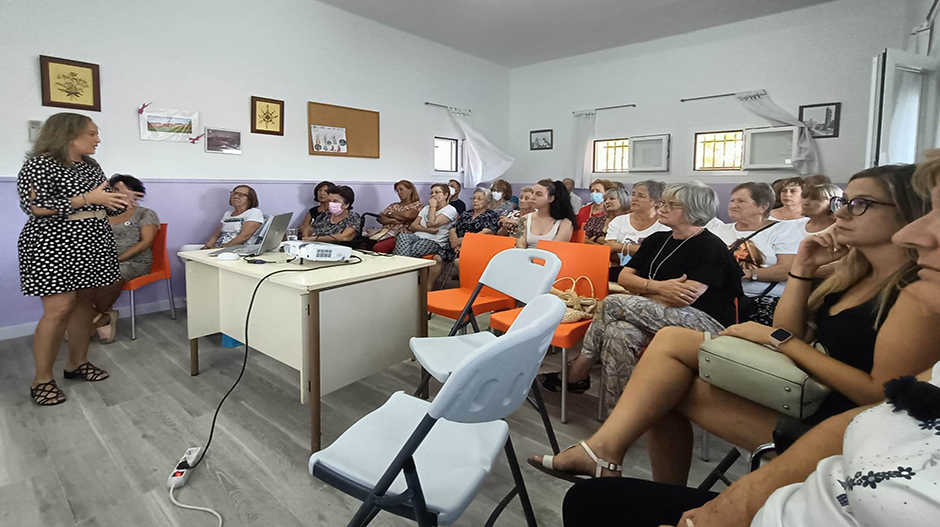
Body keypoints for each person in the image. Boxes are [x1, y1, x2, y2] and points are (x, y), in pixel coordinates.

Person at [560, 156, 940, 527]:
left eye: (860, 205)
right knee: (657, 382)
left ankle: (601, 437)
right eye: (844, 202)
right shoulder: (852, 272)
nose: (839, 214)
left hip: (828, 418)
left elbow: (877, 399)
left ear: (911, 213)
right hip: (803, 387)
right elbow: (796, 330)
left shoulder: (915, 294)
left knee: (653, 336)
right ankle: (656, 488)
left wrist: (781, 342)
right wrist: (803, 269)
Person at [541, 182, 742, 400]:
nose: (662, 208)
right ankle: (621, 412)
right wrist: (658, 287)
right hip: (654, 314)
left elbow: (683, 296)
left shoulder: (711, 246)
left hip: (704, 323)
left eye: (671, 205)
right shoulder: (657, 240)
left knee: (612, 302)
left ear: (695, 210)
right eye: (663, 202)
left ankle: (580, 367)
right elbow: (626, 277)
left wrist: (641, 290)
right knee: (618, 332)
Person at [16, 113, 132, 406]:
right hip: (53, 241)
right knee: (59, 309)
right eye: (92, 133)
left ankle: (77, 365)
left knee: (84, 304)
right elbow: (36, 208)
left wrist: (119, 202)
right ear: (69, 135)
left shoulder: (91, 166)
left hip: (92, 239)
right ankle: (42, 379)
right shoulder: (39, 164)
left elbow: (102, 202)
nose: (97, 139)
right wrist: (87, 200)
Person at [708, 182, 803, 325]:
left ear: (762, 207)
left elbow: (787, 270)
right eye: (732, 200)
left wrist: (748, 274)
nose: (733, 205)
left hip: (763, 300)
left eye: (741, 201)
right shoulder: (719, 230)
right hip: (720, 297)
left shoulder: (783, 230)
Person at [91, 174, 160, 344]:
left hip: (134, 261)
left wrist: (117, 259)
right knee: (71, 280)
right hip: (103, 261)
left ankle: (90, 318)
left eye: (127, 190)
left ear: (137, 193)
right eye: (115, 190)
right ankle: (99, 317)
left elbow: (146, 243)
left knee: (112, 276)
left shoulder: (145, 214)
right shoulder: (101, 214)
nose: (121, 193)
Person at [605, 180, 670, 280]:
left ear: (656, 202)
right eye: (633, 194)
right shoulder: (619, 221)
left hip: (652, 275)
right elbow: (609, 247)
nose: (634, 199)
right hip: (618, 271)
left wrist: (619, 247)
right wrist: (642, 250)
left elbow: (657, 254)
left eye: (641, 196)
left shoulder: (665, 224)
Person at [392, 184, 459, 266]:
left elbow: (431, 223)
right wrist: (428, 230)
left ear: (445, 195)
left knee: (403, 250)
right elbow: (413, 226)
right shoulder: (426, 208)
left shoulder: (450, 210)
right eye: (432, 193)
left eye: (437, 192)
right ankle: (404, 270)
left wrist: (433, 206)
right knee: (402, 236)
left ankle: (399, 268)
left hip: (434, 241)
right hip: (417, 236)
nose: (433, 195)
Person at [514, 179, 576, 248]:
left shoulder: (564, 223)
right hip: (525, 257)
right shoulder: (524, 219)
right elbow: (520, 246)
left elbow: (556, 249)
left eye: (539, 194)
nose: (532, 197)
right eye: (532, 193)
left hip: (548, 257)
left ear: (551, 198)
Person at [198, 185, 263, 249]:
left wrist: (222, 248)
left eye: (241, 194)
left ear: (250, 199)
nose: (236, 196)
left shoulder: (254, 212)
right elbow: (216, 234)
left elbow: (245, 236)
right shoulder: (228, 213)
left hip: (238, 249)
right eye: (234, 193)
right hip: (220, 247)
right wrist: (209, 245)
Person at [370, 180, 423, 253]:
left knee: (379, 247)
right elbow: (379, 218)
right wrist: (393, 220)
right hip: (385, 233)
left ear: (410, 190)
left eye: (401, 189)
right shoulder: (394, 205)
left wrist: (390, 214)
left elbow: (407, 215)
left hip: (400, 236)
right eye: (397, 191)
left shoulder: (417, 204)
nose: (399, 193)